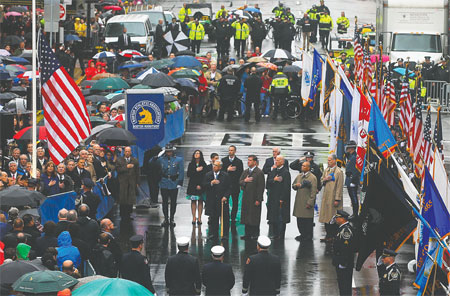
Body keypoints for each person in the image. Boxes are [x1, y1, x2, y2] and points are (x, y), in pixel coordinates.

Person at [157, 144, 184, 227]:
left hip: (173, 182)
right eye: (167, 151)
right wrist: (157, 156)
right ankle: (166, 218)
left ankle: (172, 218)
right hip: (164, 182)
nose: (168, 153)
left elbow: (181, 171)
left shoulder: (178, 159)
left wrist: (180, 182)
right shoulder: (161, 159)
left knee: (173, 202)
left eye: (170, 151)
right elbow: (153, 164)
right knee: (164, 202)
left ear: (172, 151)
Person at [239, 155, 265, 240]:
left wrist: (259, 199)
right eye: (248, 160)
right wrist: (244, 181)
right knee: (246, 215)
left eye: (250, 160)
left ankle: (255, 234)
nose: (248, 162)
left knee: (254, 216)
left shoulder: (259, 172)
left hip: (254, 198)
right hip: (246, 197)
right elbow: (240, 182)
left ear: (255, 162)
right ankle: (247, 234)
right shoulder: (245, 172)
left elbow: (261, 187)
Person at [204, 160, 231, 241]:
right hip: (212, 201)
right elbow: (204, 185)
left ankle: (225, 235)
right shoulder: (208, 175)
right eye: (213, 165)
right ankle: (213, 234)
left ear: (220, 167)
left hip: (222, 200)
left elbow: (229, 188)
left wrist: (226, 196)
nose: (214, 166)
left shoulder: (225, 175)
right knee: (213, 218)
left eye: (216, 165)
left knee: (224, 218)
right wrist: (211, 183)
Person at [319, 154, 344, 242]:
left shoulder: (338, 172)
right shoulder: (327, 170)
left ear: (334, 161)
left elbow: (339, 186)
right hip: (326, 197)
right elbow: (321, 180)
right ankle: (328, 235)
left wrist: (337, 199)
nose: (328, 162)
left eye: (330, 160)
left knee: (333, 217)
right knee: (326, 217)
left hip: (333, 198)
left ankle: (333, 236)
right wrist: (325, 179)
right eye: (328, 160)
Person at [331, 210, 355, 296]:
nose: (336, 219)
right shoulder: (342, 228)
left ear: (343, 219)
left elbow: (346, 248)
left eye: (337, 218)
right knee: (342, 285)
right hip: (341, 261)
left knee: (345, 285)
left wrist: (343, 262)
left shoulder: (346, 231)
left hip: (344, 262)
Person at [266, 155, 291, 239]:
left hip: (281, 199)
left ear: (282, 162)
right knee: (274, 217)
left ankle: (281, 234)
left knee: (281, 217)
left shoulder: (285, 172)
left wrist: (282, 198)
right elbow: (268, 183)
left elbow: (286, 187)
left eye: (278, 160)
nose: (276, 162)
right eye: (276, 160)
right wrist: (274, 180)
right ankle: (275, 233)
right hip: (273, 197)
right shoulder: (273, 171)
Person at [292, 161, 317, 242]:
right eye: (302, 166)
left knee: (307, 220)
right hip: (299, 201)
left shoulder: (312, 178)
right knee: (300, 220)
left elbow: (313, 192)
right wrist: (296, 185)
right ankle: (302, 234)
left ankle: (308, 235)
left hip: (306, 201)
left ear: (308, 168)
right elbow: (293, 185)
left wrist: (310, 202)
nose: (302, 167)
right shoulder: (299, 176)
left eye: (304, 166)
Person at [116, 146, 139, 221]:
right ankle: (123, 215)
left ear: (131, 152)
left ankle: (129, 214)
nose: (127, 153)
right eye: (126, 151)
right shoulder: (119, 160)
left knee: (130, 200)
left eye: (129, 151)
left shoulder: (135, 160)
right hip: (122, 183)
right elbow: (118, 170)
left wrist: (138, 182)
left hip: (132, 183)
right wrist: (126, 167)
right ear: (124, 152)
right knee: (123, 200)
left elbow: (138, 172)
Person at [221, 145, 244, 223]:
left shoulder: (239, 161)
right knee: (225, 201)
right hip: (225, 186)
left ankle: (233, 217)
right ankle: (225, 217)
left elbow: (241, 173)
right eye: (229, 150)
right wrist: (227, 169)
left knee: (235, 202)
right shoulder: (224, 160)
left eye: (232, 150)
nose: (230, 151)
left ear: (235, 151)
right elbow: (220, 172)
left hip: (235, 185)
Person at [186, 150, 207, 225]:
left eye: (198, 153)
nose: (196, 154)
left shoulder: (204, 164)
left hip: (200, 186)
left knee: (200, 201)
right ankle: (194, 217)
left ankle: (200, 217)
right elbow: (189, 174)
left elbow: (205, 176)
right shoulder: (191, 164)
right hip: (192, 185)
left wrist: (200, 185)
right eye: (195, 153)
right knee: (193, 201)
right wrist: (196, 170)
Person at [344, 141, 360, 217]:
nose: (347, 149)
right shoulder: (350, 156)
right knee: (352, 198)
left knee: (354, 198)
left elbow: (356, 170)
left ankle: (355, 214)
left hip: (352, 181)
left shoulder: (354, 157)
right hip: (349, 180)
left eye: (348, 147)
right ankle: (354, 213)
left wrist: (353, 180)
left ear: (351, 148)